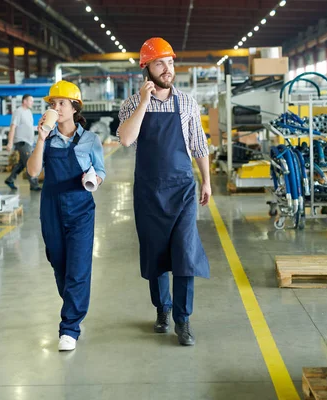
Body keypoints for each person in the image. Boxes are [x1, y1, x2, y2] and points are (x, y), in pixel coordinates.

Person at [117, 37, 211, 346]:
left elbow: (198, 144)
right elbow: (127, 140)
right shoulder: (130, 104)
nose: (167, 69)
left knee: (185, 253)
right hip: (148, 190)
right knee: (156, 254)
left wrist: (206, 180)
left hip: (182, 187)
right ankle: (163, 309)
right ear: (147, 68)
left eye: (170, 63)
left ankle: (183, 320)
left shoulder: (186, 102)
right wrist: (144, 102)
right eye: (160, 63)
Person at [27, 81, 106, 352]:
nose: (56, 108)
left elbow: (101, 172)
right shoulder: (46, 138)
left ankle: (69, 327)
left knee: (78, 269)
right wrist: (40, 138)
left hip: (81, 208)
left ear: (74, 107)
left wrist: (94, 178)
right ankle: (74, 308)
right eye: (52, 104)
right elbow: (33, 172)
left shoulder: (90, 140)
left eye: (61, 103)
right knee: (59, 264)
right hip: (51, 208)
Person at [5, 94, 41, 191]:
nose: (32, 103)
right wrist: (10, 142)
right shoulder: (18, 112)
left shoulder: (29, 112)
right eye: (30, 101)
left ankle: (10, 179)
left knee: (22, 163)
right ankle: (34, 185)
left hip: (29, 142)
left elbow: (29, 127)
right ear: (24, 101)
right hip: (22, 142)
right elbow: (13, 127)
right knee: (30, 162)